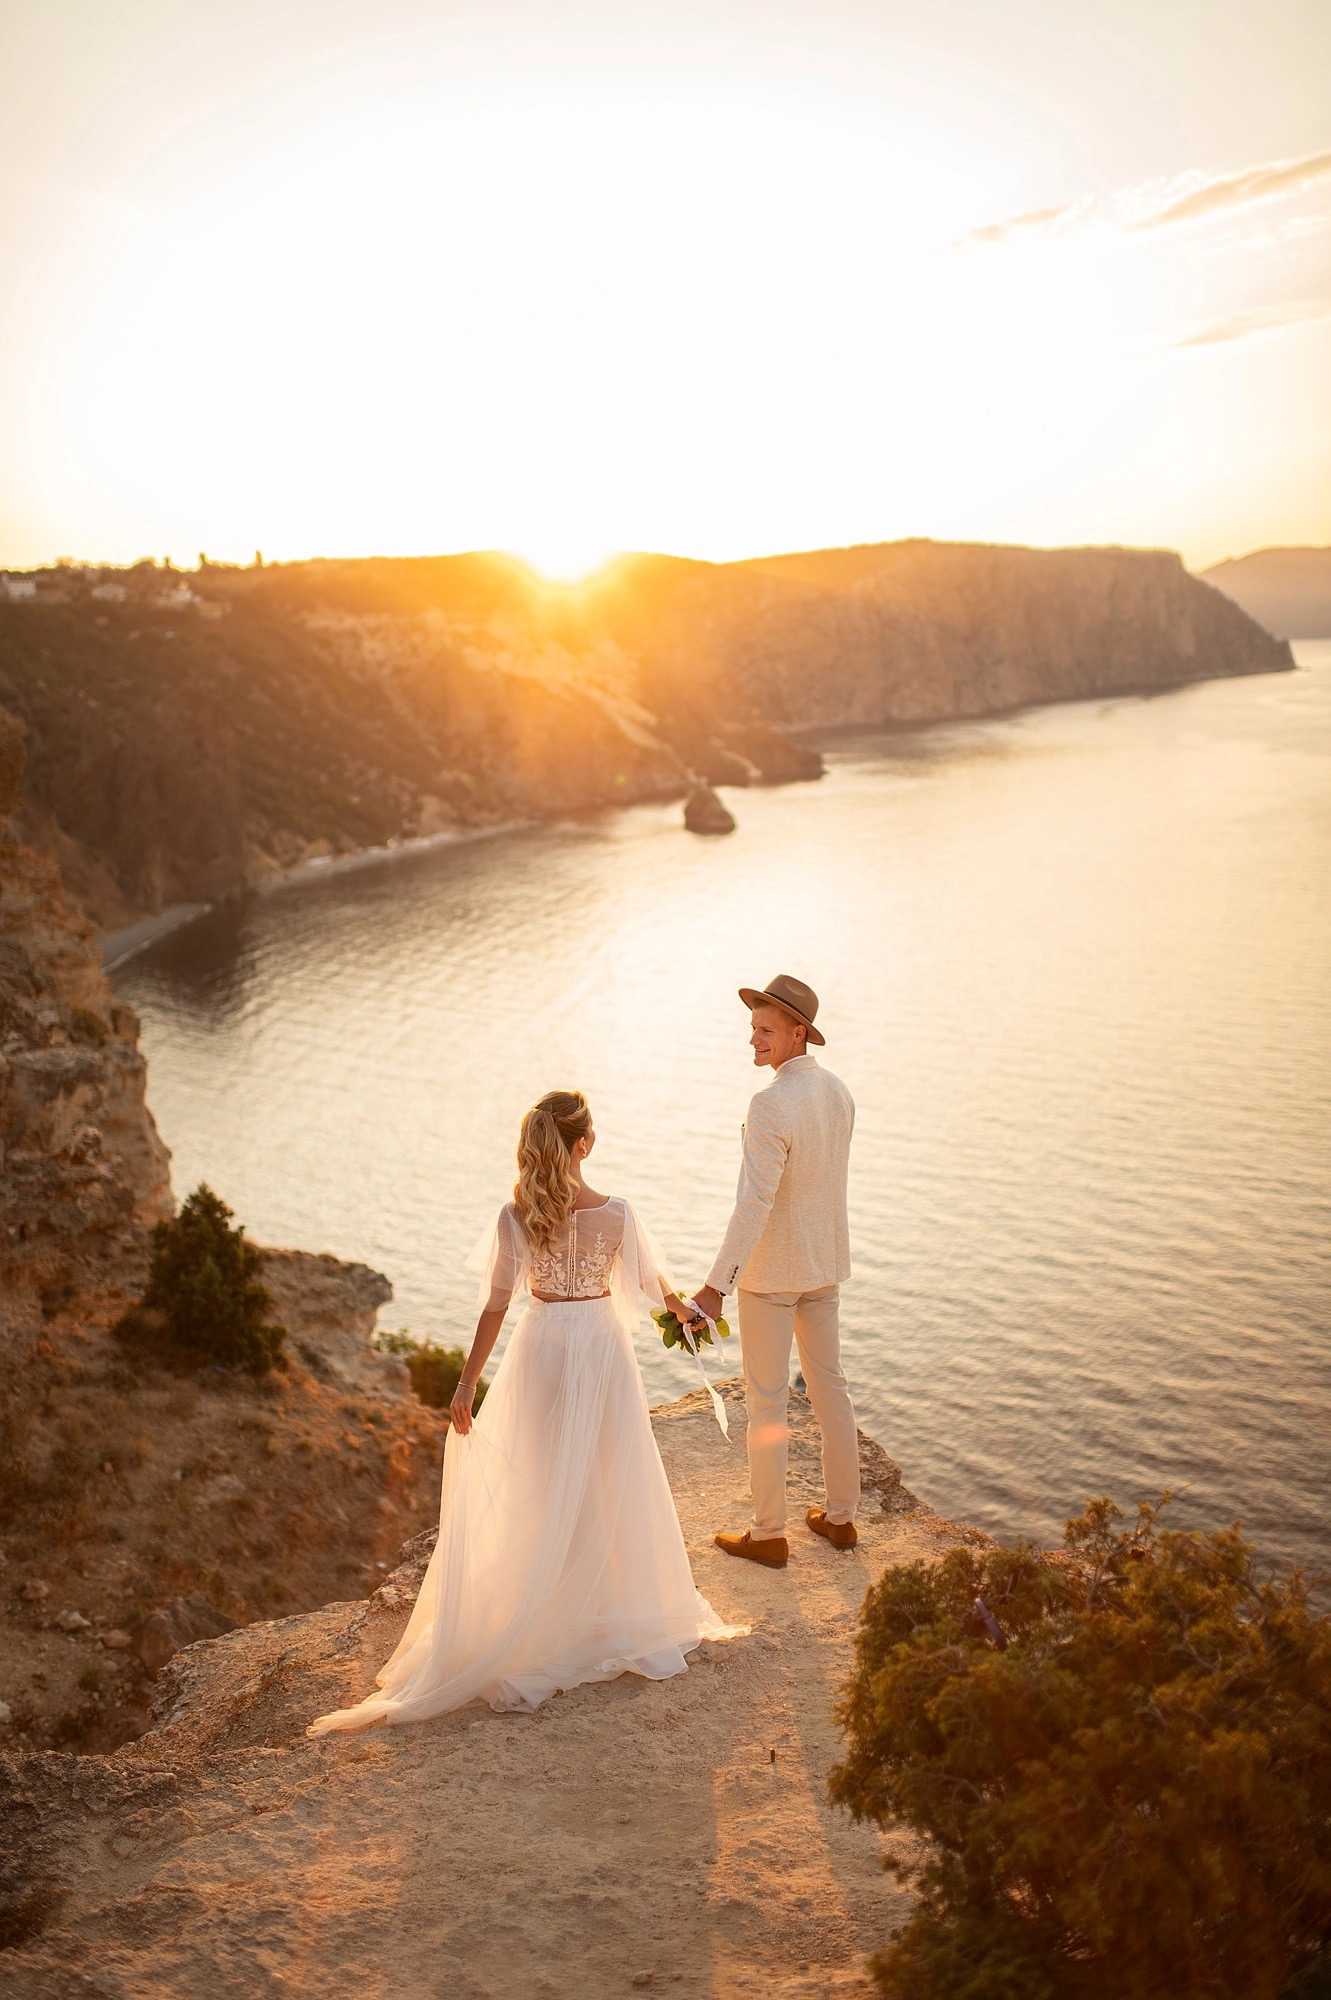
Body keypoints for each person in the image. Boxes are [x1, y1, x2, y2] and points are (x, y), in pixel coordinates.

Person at [308, 1090, 739, 1733]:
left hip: (541, 1347)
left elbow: (494, 1307)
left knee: (539, 1480)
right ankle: (602, 1602)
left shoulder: (517, 1216)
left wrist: (465, 1387)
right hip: (599, 1348)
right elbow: (655, 1288)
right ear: (584, 1144)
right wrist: (690, 1314)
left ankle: (547, 1606)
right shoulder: (617, 1214)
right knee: (608, 1475)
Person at [685, 975, 859, 1570]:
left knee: (768, 1403)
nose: (753, 1040)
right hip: (824, 1266)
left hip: (771, 1277)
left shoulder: (769, 1105)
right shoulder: (838, 1093)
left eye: (764, 1030)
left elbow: (754, 1203)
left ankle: (768, 1534)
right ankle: (841, 1519)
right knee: (830, 1388)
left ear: (798, 1032)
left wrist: (715, 1286)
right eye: (753, 1028)